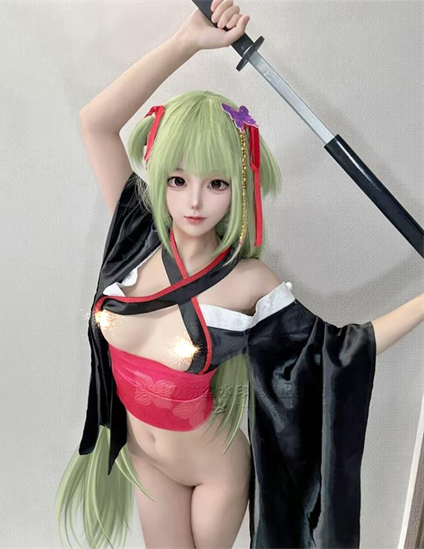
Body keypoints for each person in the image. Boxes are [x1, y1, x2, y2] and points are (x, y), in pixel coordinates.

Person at [55, 2, 424, 548]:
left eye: (217, 184)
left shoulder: (248, 281)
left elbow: (337, 351)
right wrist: (185, 43)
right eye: (177, 180)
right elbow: (96, 122)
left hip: (214, 471)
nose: (194, 202)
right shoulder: (135, 231)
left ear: (240, 186)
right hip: (146, 460)